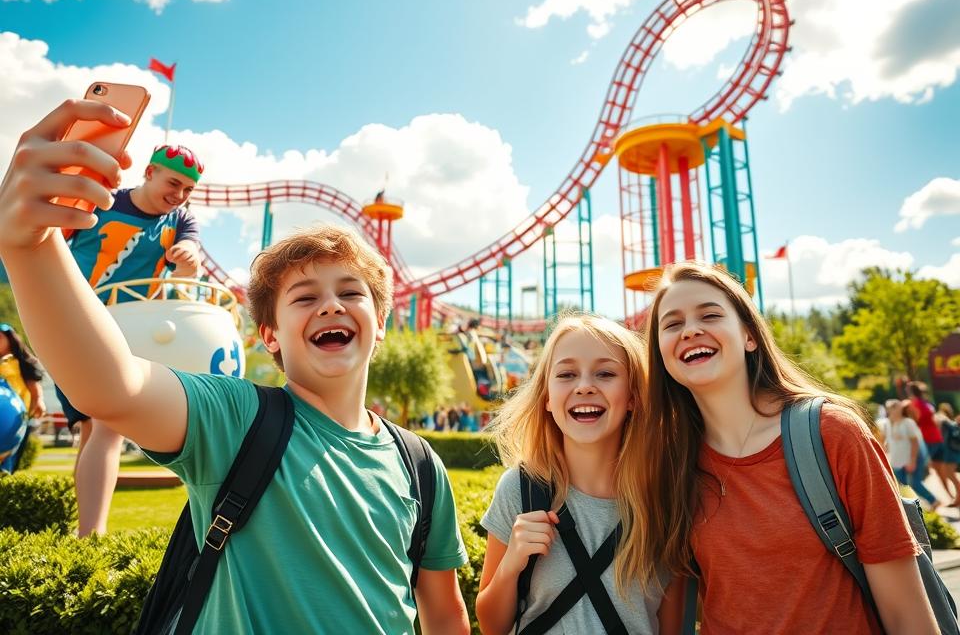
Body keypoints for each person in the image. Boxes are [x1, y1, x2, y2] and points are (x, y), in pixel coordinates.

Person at [0, 100, 470, 633]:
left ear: (380, 322)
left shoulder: (420, 465)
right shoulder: (236, 417)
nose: (331, 306)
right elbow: (113, 387)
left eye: (350, 292)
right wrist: (29, 244)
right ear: (268, 335)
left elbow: (444, 609)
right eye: (304, 297)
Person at [634, 261, 938, 634]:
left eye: (709, 315)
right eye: (672, 323)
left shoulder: (832, 434)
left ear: (750, 336)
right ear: (661, 354)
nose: (691, 330)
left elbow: (908, 616)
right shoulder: (671, 463)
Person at [475, 314, 683, 634]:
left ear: (633, 397)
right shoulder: (522, 489)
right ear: (546, 397)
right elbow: (492, 626)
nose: (584, 386)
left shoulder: (665, 501)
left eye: (605, 373)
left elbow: (674, 625)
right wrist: (512, 563)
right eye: (567, 374)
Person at [54, 141, 204, 536]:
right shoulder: (102, 202)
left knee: (98, 425)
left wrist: (188, 257)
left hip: (130, 331)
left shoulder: (181, 222)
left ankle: (85, 532)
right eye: (174, 183)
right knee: (103, 425)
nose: (180, 195)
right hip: (75, 320)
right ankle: (92, 535)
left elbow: (190, 262)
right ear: (149, 172)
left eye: (188, 189)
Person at [0, 322, 47, 472]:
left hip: (18, 417)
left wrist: (38, 400)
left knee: (10, 457)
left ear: (11, 339)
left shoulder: (20, 362)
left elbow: (33, 384)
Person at [879, 399, 940, 509]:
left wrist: (912, 460)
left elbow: (915, 442)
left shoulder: (908, 423)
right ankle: (915, 504)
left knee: (914, 482)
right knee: (902, 483)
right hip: (897, 460)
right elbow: (884, 440)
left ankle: (933, 501)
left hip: (913, 457)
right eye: (891, 407)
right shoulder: (886, 423)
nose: (894, 409)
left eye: (896, 407)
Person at [908, 381, 960, 504]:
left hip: (927, 441)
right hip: (938, 439)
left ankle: (937, 500)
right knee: (944, 471)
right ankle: (952, 498)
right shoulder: (927, 403)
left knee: (916, 475)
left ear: (910, 392)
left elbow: (914, 422)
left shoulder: (914, 404)